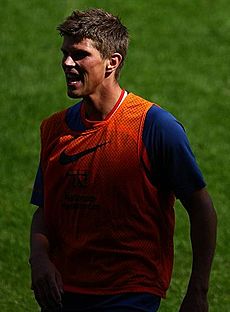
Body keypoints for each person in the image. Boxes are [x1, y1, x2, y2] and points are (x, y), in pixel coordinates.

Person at [29, 8, 217, 312]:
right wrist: (39, 259)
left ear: (111, 63)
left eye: (79, 54)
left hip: (130, 292)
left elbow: (201, 207)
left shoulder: (155, 127)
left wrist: (198, 291)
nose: (67, 63)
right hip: (64, 292)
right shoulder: (53, 129)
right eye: (65, 53)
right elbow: (45, 208)